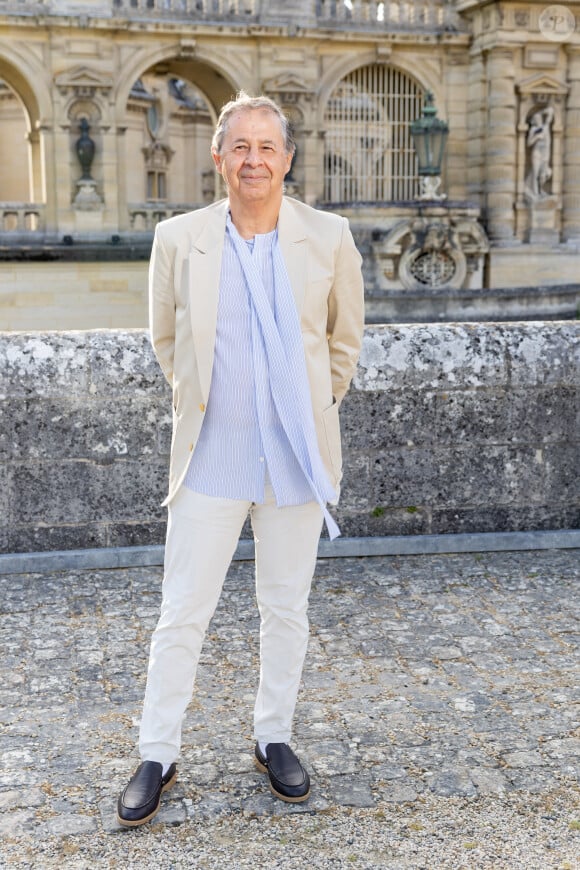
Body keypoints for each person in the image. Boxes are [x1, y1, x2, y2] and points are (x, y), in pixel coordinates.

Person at [117, 91, 365, 827]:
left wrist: (303, 410)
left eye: (268, 147)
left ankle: (273, 736)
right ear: (219, 158)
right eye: (241, 147)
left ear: (288, 159)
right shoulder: (177, 237)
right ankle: (157, 751)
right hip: (212, 457)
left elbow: (342, 347)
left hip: (295, 458)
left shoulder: (330, 236)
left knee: (284, 608)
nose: (254, 159)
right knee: (182, 612)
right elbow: (168, 344)